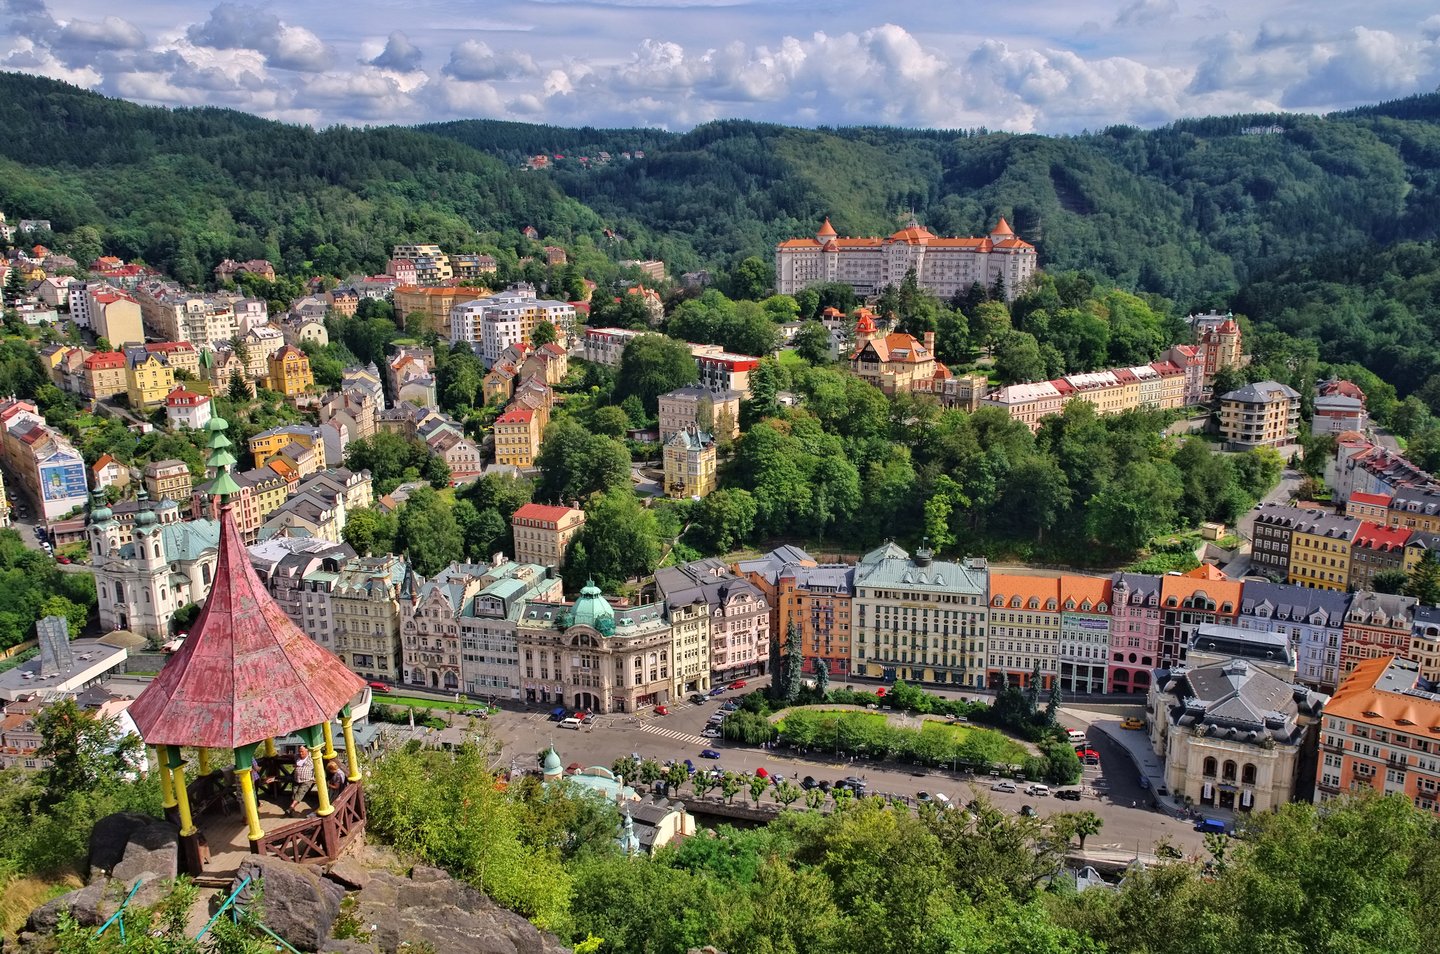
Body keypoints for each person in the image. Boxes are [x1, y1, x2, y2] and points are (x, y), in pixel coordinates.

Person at [289, 745, 314, 815]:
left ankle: (291, 807)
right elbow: (291, 756)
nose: (300, 753)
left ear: (307, 751)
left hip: (308, 779)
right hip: (297, 779)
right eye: (299, 751)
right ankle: (292, 808)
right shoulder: (297, 756)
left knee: (300, 792)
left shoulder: (311, 757)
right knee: (294, 792)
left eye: (302, 751)